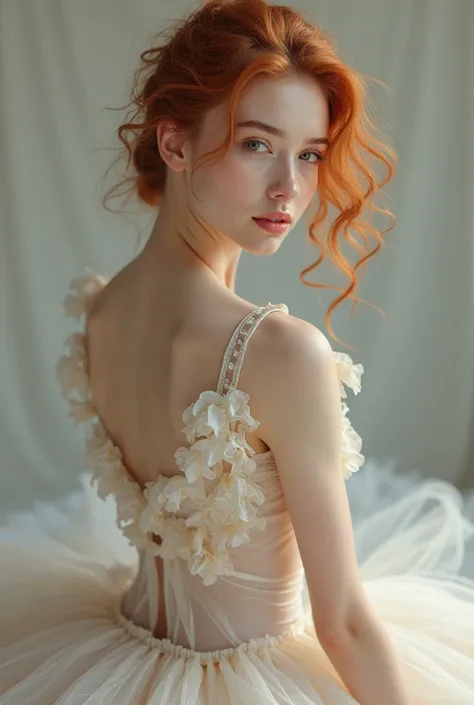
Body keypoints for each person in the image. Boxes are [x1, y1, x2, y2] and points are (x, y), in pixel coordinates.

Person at [1, 0, 474, 703]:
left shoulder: (102, 310)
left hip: (110, 664)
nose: (291, 187)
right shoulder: (280, 353)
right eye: (257, 144)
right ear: (175, 144)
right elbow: (339, 621)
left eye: (309, 154)